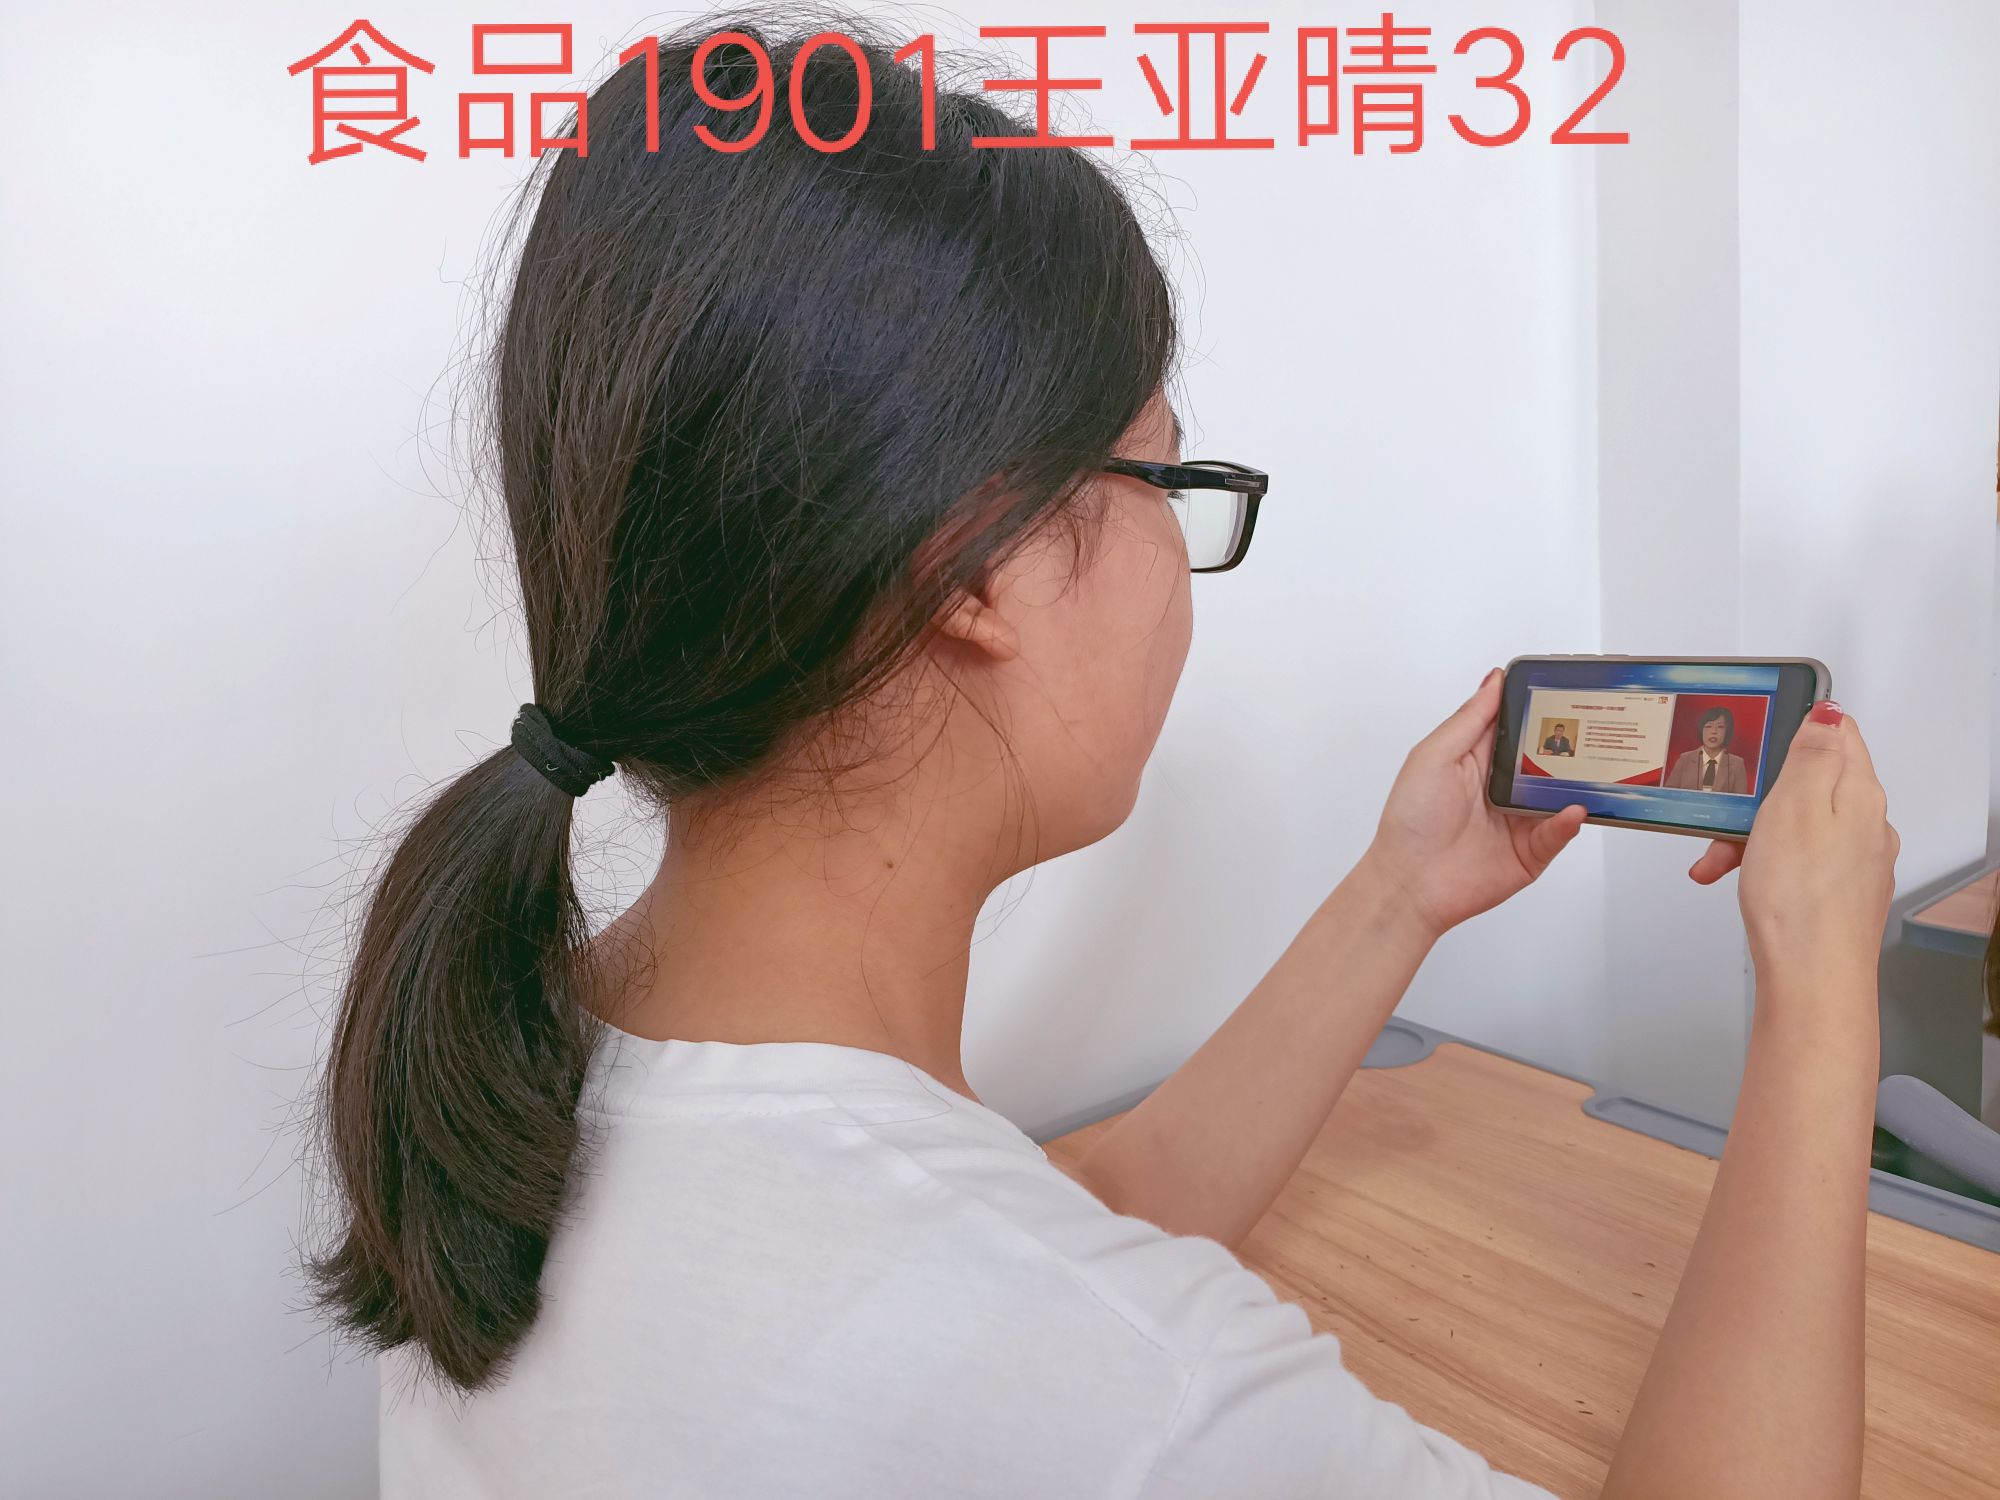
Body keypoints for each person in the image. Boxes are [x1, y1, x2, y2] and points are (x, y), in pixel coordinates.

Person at [309, 15, 1901, 1499]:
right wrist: (1825, 993)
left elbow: (1064, 1222)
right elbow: (1062, 1320)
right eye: (1163, 476)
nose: (1178, 554)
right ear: (980, 568)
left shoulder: (515, 1085)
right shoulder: (1139, 1395)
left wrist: (1398, 893)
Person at [1666, 706, 1750, 793]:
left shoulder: (1737, 764)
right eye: (1708, 726)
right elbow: (1668, 793)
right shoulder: (1685, 759)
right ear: (1701, 729)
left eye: (1720, 727)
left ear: (1727, 731)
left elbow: (1741, 799)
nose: (1714, 731)